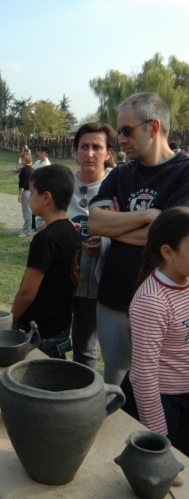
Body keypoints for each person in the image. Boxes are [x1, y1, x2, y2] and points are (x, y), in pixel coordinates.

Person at [88, 92, 189, 386]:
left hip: (165, 307)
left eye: (126, 130)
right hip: (113, 301)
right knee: (115, 385)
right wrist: (150, 216)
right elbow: (95, 223)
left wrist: (117, 227)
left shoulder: (184, 173)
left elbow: (177, 238)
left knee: (160, 387)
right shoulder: (120, 173)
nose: (120, 139)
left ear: (153, 127)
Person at [122, 207, 189, 457]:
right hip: (162, 403)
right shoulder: (152, 302)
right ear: (168, 252)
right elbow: (144, 375)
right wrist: (158, 441)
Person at [10, 165, 79, 359]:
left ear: (46, 198)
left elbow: (27, 293)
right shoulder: (70, 230)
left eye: (32, 193)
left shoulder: (45, 239)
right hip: (61, 326)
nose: (29, 198)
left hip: (42, 335)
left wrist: (12, 320)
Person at [66, 122, 115, 369]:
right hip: (61, 279)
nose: (90, 153)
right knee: (49, 338)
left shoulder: (118, 189)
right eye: (84, 147)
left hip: (96, 283)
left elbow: (126, 231)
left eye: (97, 147)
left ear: (108, 153)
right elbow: (41, 222)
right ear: (76, 151)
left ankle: (80, 398)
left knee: (85, 348)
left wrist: (104, 245)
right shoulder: (63, 184)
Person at [17, 153, 33, 238]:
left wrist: (20, 194)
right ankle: (26, 229)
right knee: (28, 211)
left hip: (26, 191)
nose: (21, 160)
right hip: (30, 191)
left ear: (26, 159)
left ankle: (27, 230)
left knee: (27, 211)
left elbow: (22, 183)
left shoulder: (25, 169)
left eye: (22, 159)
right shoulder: (31, 169)